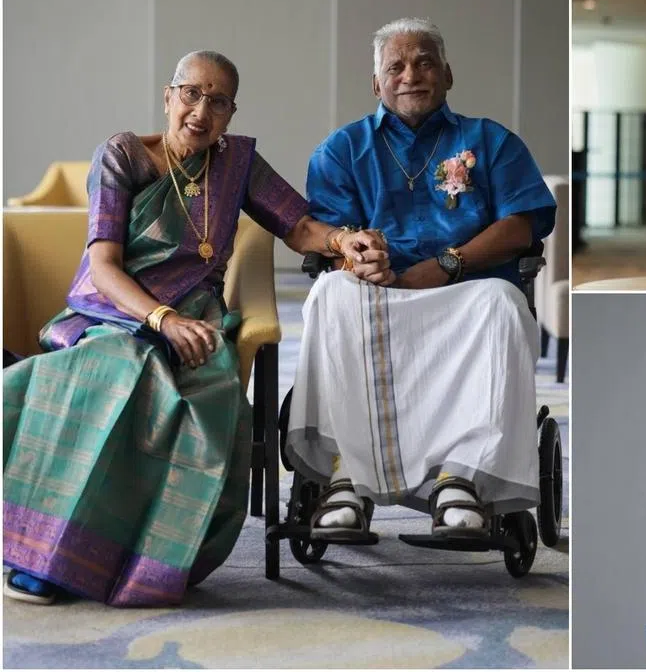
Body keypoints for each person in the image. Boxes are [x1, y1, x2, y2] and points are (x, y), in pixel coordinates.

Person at [2, 51, 385, 607]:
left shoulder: (238, 164)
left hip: (198, 321)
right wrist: (161, 318)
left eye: (218, 100)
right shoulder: (123, 155)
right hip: (113, 314)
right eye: (191, 94)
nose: (201, 111)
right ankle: (45, 554)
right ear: (168, 96)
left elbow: (298, 225)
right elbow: (104, 266)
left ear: (231, 112)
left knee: (208, 399)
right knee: (121, 368)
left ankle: (134, 560)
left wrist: (340, 241)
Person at [285, 18, 556, 542]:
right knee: (328, 293)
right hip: (377, 292)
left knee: (504, 302)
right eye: (396, 65)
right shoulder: (342, 150)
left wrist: (447, 265)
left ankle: (462, 479)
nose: (412, 75)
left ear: (448, 74)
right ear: (376, 83)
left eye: (425, 62)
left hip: (467, 290)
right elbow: (331, 234)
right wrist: (357, 260)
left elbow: (522, 224)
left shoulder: (490, 141)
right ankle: (346, 478)